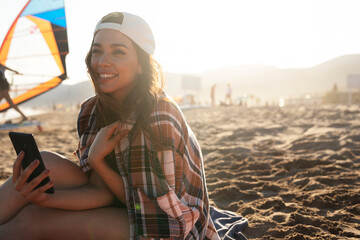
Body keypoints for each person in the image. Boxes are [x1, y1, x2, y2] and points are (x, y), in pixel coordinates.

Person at [0, 12, 220, 239]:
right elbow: (102, 191)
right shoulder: (92, 111)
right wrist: (46, 199)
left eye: (118, 52)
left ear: (141, 66)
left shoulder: (158, 117)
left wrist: (97, 161)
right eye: (97, 50)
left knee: (32, 222)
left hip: (167, 224)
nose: (102, 61)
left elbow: (145, 205)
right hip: (127, 205)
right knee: (42, 165)